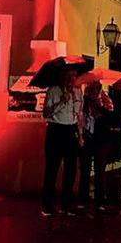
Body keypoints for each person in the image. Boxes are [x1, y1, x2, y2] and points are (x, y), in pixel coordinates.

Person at [41, 67, 84, 216]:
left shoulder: (78, 91)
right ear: (62, 76)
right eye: (69, 75)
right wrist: (61, 101)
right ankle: (47, 205)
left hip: (71, 131)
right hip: (56, 130)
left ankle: (66, 204)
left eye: (74, 75)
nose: (72, 78)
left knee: (71, 169)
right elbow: (46, 113)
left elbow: (79, 114)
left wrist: (80, 135)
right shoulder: (53, 91)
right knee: (52, 169)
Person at [78, 80, 115, 211]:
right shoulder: (84, 100)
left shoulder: (105, 100)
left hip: (102, 140)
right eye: (91, 89)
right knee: (85, 170)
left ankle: (99, 201)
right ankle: (83, 199)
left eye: (96, 89)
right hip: (87, 138)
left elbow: (111, 118)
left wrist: (99, 108)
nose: (93, 92)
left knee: (100, 171)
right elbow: (80, 114)